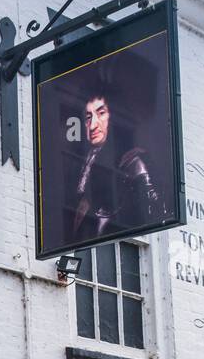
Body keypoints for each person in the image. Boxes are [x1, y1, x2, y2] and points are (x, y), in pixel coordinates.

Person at [67, 86, 167, 243]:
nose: (93, 125)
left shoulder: (132, 162)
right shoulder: (77, 160)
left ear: (113, 117)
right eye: (88, 117)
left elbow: (154, 213)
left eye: (101, 114)